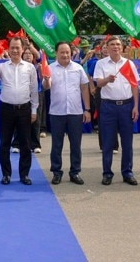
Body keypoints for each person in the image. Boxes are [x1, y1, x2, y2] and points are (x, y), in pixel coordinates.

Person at [0, 35, 38, 185]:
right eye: (12, 48)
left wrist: (34, 110)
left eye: (17, 48)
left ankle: (24, 175)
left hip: (24, 109)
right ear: (8, 50)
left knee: (25, 144)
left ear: (22, 49)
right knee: (5, 143)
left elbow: (34, 90)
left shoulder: (30, 67)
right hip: (6, 109)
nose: (15, 50)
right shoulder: (2, 66)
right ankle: (6, 174)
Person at [93, 36, 139, 186]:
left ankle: (127, 172)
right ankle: (107, 173)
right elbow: (98, 83)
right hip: (108, 107)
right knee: (107, 142)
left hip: (126, 106)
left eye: (118, 44)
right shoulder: (101, 64)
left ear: (122, 47)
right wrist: (107, 80)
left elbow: (134, 86)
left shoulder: (129, 64)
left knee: (127, 142)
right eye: (112, 44)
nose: (115, 47)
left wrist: (136, 106)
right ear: (106, 47)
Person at [42, 40, 90, 185]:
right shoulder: (49, 68)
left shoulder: (78, 68)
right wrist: (45, 79)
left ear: (71, 53)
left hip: (75, 112)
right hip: (57, 112)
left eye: (67, 52)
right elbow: (46, 87)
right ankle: (57, 172)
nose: (65, 55)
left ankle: (75, 172)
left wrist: (87, 109)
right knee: (57, 145)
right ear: (56, 53)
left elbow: (84, 88)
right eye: (62, 52)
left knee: (76, 144)